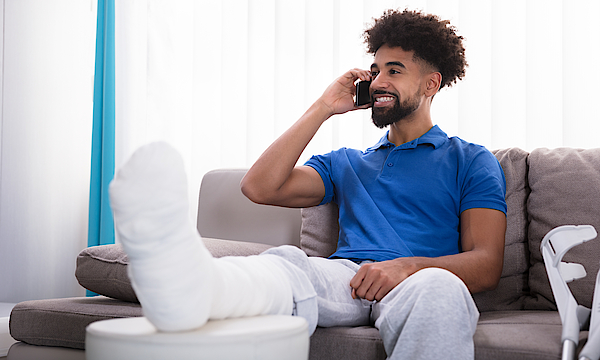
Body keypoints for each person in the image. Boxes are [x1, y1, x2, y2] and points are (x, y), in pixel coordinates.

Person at [109, 9, 507, 360]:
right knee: (287, 266)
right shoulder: (346, 162)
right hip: (346, 279)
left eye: (395, 70)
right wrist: (324, 107)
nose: (379, 80)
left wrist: (406, 267)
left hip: (420, 281)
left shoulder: (470, 159)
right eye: (376, 70)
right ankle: (193, 289)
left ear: (430, 84)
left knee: (440, 290)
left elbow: (486, 264)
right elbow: (259, 187)